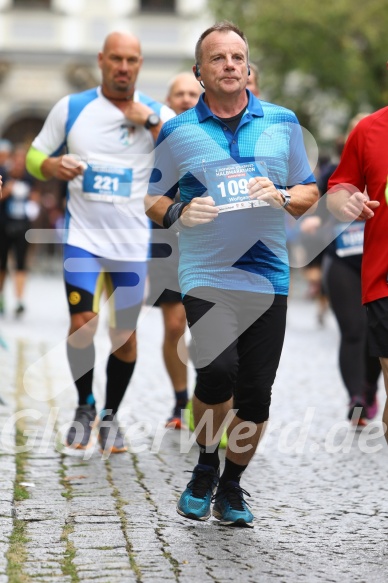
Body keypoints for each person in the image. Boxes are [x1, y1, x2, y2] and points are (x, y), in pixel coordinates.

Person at [145, 21, 318, 527]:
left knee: (257, 395)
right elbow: (152, 198)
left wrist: (283, 196)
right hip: (207, 271)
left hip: (269, 278)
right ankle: (204, 467)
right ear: (200, 72)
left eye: (236, 57)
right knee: (217, 371)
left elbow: (309, 192)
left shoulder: (282, 123)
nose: (228, 65)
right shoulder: (178, 131)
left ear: (248, 67)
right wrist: (178, 213)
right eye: (217, 58)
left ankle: (232, 486)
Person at [26, 31, 175, 454]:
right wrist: (53, 164)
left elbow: (183, 152)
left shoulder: (157, 113)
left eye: (131, 60)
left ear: (141, 64)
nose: (123, 67)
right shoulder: (72, 108)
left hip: (131, 244)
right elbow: (35, 157)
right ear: (101, 60)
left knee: (124, 338)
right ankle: (85, 406)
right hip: (83, 239)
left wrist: (147, 119)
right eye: (116, 59)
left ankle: (111, 416)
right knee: (80, 325)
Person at [327, 104, 388, 440]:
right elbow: (337, 190)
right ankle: (359, 397)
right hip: (383, 279)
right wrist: (346, 203)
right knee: (353, 332)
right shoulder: (367, 130)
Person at [148, 72, 203, 429]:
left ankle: (209, 397)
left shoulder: (212, 133)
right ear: (168, 101)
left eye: (191, 93)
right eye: (178, 94)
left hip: (209, 242)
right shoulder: (159, 136)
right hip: (166, 239)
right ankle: (181, 400)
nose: (185, 98)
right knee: (173, 325)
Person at [0, 145, 40, 317]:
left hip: (22, 226)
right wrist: (7, 191)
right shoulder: (4, 175)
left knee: (21, 264)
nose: (18, 164)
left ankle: (19, 300)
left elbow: (35, 204)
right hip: (3, 225)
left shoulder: (29, 179)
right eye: (15, 160)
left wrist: (32, 199)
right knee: (1, 264)